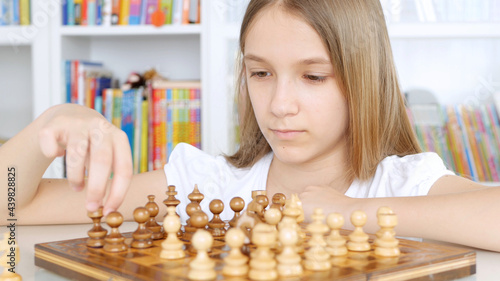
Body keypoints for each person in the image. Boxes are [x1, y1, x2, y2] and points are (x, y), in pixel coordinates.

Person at [1, 0, 499, 252]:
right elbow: (9, 207)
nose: (280, 104)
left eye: (313, 76)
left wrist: (351, 212)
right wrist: (53, 121)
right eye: (260, 73)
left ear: (363, 80)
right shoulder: (204, 186)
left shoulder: (401, 185)